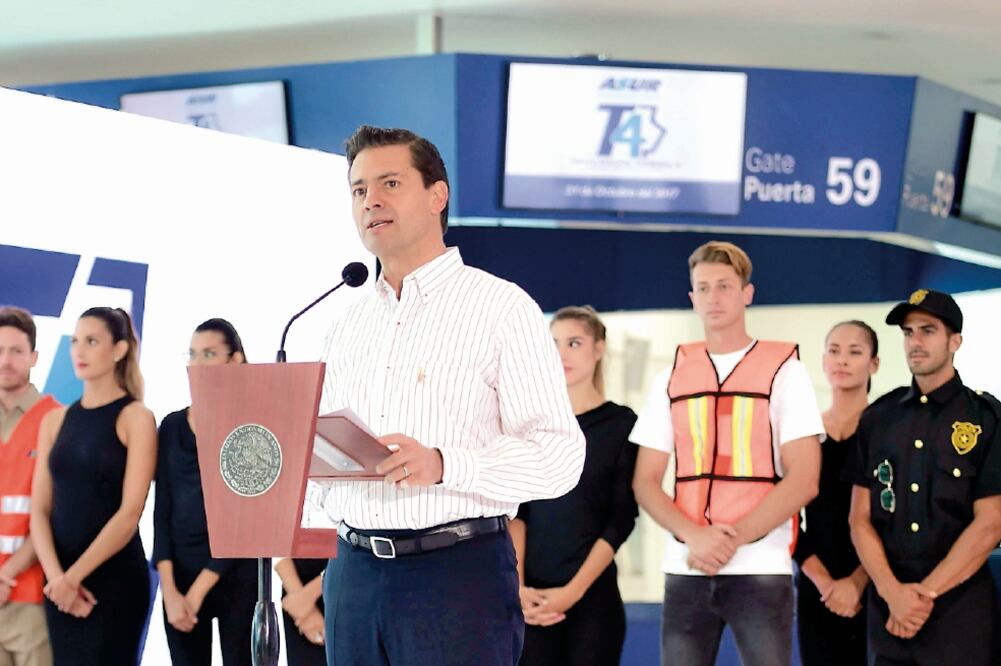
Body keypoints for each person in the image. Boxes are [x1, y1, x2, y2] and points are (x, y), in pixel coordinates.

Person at [318, 125, 586, 666]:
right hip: (353, 575)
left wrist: (444, 465)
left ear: (437, 196)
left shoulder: (501, 307)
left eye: (389, 183)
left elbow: (560, 457)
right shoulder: (344, 323)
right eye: (358, 189)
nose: (371, 200)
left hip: (455, 575)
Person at [630, 240, 823, 666]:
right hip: (686, 566)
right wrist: (696, 536)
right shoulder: (672, 374)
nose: (713, 297)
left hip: (761, 567)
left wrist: (729, 540)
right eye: (704, 288)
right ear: (692, 298)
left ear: (746, 293)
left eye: (724, 286)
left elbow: (805, 477)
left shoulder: (786, 372)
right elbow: (645, 481)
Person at [849, 289, 1001, 666]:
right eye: (908, 332)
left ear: (955, 341)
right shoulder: (878, 418)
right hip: (889, 605)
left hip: (959, 610)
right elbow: (859, 518)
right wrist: (892, 593)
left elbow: (991, 524)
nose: (915, 342)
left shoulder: (986, 418)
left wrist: (922, 597)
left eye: (927, 331)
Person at [511, 305, 638, 666]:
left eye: (574, 343)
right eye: (553, 344)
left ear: (598, 349)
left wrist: (572, 592)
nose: (562, 354)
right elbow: (518, 514)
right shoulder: (532, 427)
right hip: (531, 598)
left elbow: (620, 520)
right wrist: (518, 588)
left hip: (592, 599)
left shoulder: (621, 424)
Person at [29, 307, 156, 665]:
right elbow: (38, 510)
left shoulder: (136, 418)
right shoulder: (54, 421)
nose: (79, 351)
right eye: (75, 341)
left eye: (92, 341)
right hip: (58, 587)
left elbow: (130, 513)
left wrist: (73, 578)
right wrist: (57, 581)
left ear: (118, 349)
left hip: (112, 585)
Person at [153, 318, 257, 666]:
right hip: (179, 580)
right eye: (193, 354)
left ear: (235, 360)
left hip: (236, 579)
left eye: (209, 354)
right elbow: (162, 510)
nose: (197, 364)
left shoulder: (251, 427)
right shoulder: (170, 426)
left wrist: (197, 593)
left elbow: (246, 518)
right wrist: (169, 591)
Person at [793, 321, 879, 666]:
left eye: (855, 352)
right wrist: (826, 584)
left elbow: (895, 518)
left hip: (878, 583)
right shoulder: (804, 432)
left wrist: (858, 583)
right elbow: (787, 515)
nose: (842, 360)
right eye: (834, 351)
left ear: (873, 364)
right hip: (817, 586)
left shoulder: (887, 431)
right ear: (823, 360)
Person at [0, 307, 61, 666]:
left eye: (16, 351)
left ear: (34, 357)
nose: (6, 360)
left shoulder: (56, 419)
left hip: (30, 595)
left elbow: (55, 514)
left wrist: (6, 574)